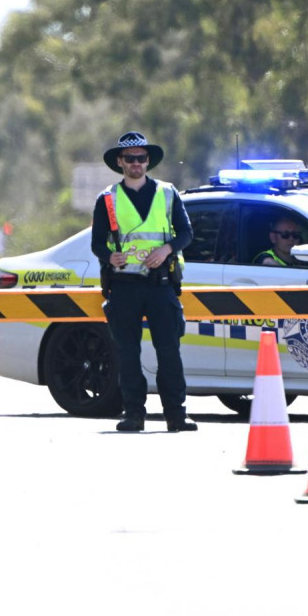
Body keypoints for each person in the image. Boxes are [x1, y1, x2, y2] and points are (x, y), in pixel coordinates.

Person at [91, 131, 197, 433]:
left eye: (141, 158)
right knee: (128, 352)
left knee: (169, 351)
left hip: (161, 283)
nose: (136, 163)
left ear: (148, 161)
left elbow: (186, 234)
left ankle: (176, 416)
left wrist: (167, 249)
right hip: (124, 285)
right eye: (129, 159)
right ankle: (133, 413)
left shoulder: (167, 193)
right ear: (120, 163)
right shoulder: (108, 199)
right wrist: (109, 258)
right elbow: (98, 243)